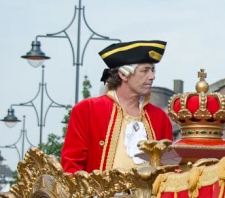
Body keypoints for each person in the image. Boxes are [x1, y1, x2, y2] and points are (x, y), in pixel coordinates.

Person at [61, 40, 174, 173]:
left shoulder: (159, 117)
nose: (152, 76)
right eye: (145, 70)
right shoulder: (87, 110)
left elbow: (170, 166)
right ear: (123, 74)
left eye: (153, 70)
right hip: (101, 194)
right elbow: (72, 167)